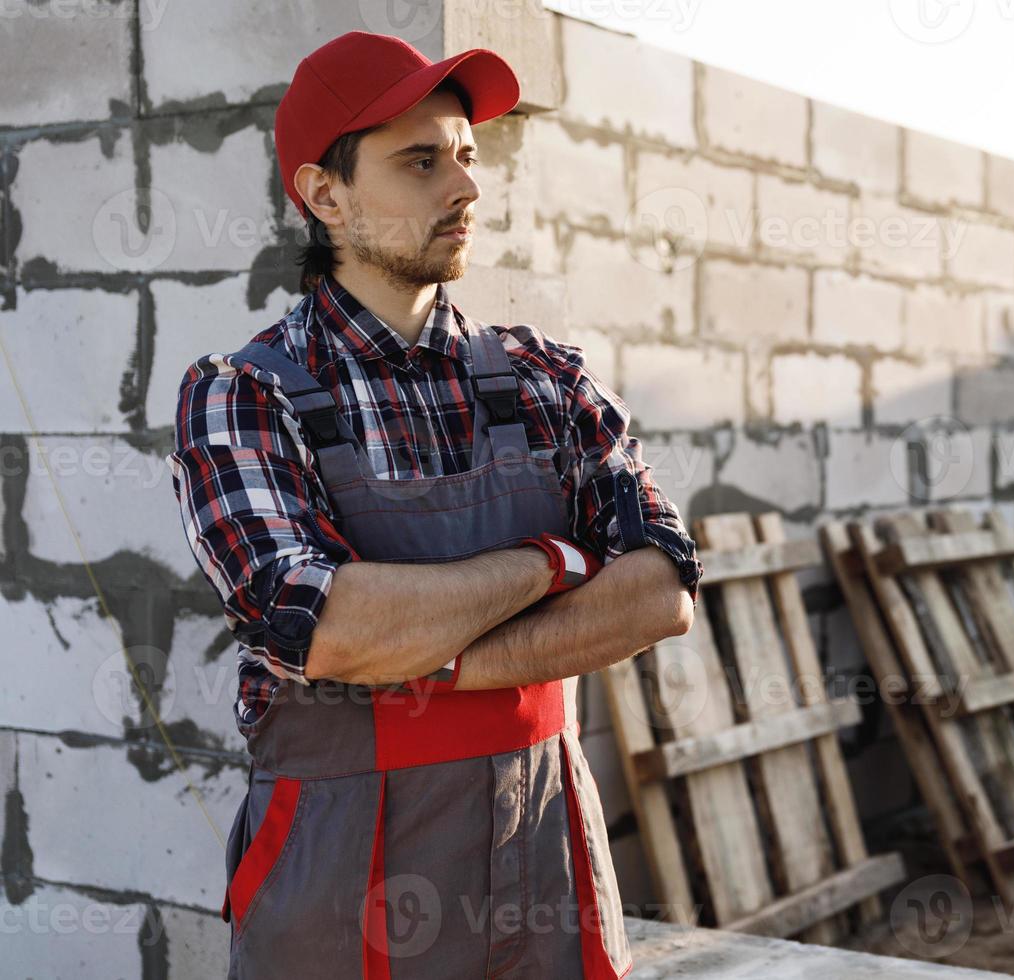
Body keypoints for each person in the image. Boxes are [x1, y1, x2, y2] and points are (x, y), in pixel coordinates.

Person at [166, 30, 702, 979]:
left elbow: (661, 589)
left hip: (547, 859)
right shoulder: (244, 394)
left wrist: (422, 658)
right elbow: (329, 629)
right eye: (420, 162)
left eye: (465, 155)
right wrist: (550, 563)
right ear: (323, 194)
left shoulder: (547, 378)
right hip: (342, 877)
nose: (465, 188)